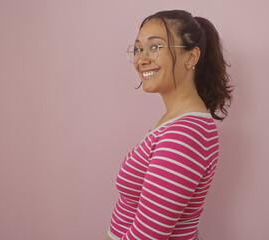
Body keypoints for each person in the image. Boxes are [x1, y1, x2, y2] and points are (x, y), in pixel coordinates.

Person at [107, 10, 232, 240]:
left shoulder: (184, 136)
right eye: (138, 49)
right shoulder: (180, 122)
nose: (140, 59)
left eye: (154, 47)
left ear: (191, 57)